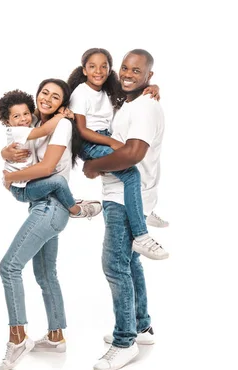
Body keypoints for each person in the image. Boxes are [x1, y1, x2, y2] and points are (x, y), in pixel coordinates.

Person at [0, 79, 102, 370]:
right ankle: (56, 337)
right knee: (45, 274)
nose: (48, 98)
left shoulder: (61, 125)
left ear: (62, 104)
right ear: (36, 96)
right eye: (44, 92)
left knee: (8, 268)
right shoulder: (31, 126)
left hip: (52, 205)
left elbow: (44, 169)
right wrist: (4, 156)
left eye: (56, 97)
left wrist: (7, 178)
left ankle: (17, 339)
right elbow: (16, 153)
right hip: (40, 204)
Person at [82, 49, 165, 370]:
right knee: (130, 262)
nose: (129, 74)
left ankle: (124, 341)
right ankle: (141, 326)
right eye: (125, 68)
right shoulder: (134, 102)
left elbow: (132, 154)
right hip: (132, 196)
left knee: (114, 265)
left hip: (124, 198)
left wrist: (93, 166)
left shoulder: (144, 106)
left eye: (137, 70)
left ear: (149, 76)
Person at [68, 48, 168, 260]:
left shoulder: (108, 91)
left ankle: (143, 217)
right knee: (132, 173)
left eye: (104, 66)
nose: (99, 71)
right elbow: (83, 130)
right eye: (93, 66)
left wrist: (152, 87)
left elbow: (133, 92)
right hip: (90, 142)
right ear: (84, 69)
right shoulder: (80, 92)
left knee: (132, 172)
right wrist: (110, 144)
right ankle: (141, 231)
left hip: (104, 139)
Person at [0, 89, 100, 218]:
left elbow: (40, 110)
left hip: (26, 182)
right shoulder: (17, 131)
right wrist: (60, 116)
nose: (23, 119)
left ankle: (63, 200)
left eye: (26, 113)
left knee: (55, 183)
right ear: (7, 122)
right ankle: (76, 210)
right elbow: (44, 130)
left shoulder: (28, 122)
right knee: (58, 182)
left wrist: (64, 108)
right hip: (21, 188)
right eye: (16, 116)